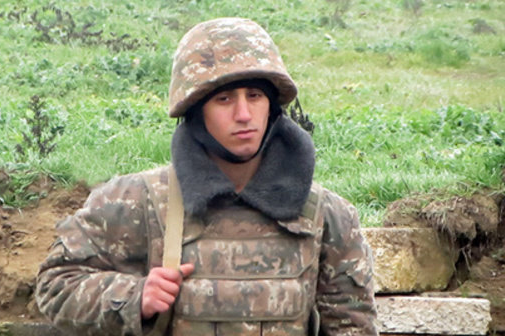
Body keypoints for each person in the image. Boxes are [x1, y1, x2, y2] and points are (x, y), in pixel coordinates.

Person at [35, 17, 378, 336]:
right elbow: (55, 285)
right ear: (197, 111)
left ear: (272, 106)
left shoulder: (328, 215)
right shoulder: (134, 201)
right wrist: (134, 296)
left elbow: (352, 325)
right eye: (225, 99)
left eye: (255, 96)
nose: (244, 114)